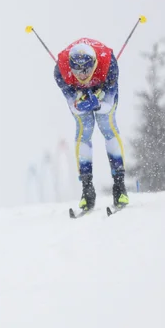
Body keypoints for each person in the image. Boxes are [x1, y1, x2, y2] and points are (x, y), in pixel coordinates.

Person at [54, 38, 129, 211]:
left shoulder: (109, 64)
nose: (82, 75)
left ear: (94, 63)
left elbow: (108, 106)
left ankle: (119, 186)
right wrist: (80, 102)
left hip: (102, 91)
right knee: (84, 130)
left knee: (107, 125)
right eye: (77, 70)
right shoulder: (61, 71)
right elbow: (74, 105)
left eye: (86, 69)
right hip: (80, 93)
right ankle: (87, 189)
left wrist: (97, 102)